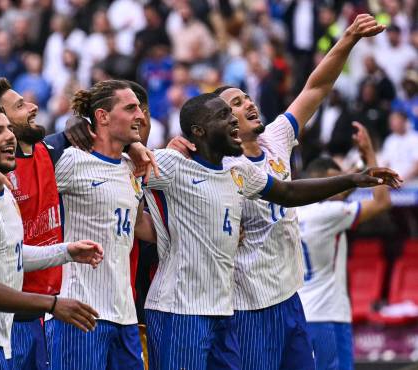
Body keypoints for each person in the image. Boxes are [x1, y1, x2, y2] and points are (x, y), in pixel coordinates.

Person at [145, 93, 401, 370]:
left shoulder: (239, 172)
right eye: (224, 115)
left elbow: (287, 191)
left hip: (224, 309)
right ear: (198, 131)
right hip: (184, 308)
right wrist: (138, 149)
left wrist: (352, 179)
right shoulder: (173, 163)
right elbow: (120, 170)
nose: (233, 119)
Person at [206, 14, 384, 369]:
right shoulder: (225, 168)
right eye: (237, 104)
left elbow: (315, 89)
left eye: (246, 97)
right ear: (224, 123)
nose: (248, 104)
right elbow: (286, 194)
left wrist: (348, 38)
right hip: (250, 303)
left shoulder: (276, 139)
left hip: (290, 296)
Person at [0, 101, 104, 368]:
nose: (6, 138)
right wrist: (51, 305)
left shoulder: (2, 195)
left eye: (8, 129)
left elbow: (12, 255)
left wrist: (66, 252)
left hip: (15, 325)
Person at [47, 79, 156, 370]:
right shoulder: (72, 160)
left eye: (140, 109)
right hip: (80, 311)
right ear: (102, 117)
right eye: (130, 108)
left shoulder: (131, 168)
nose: (140, 116)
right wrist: (70, 128)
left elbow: (138, 226)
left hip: (124, 315)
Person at [298, 123, 391, 370]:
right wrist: (370, 153)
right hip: (329, 315)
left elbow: (337, 197)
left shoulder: (294, 210)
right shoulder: (331, 213)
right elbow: (382, 202)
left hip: (301, 314)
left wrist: (358, 169)